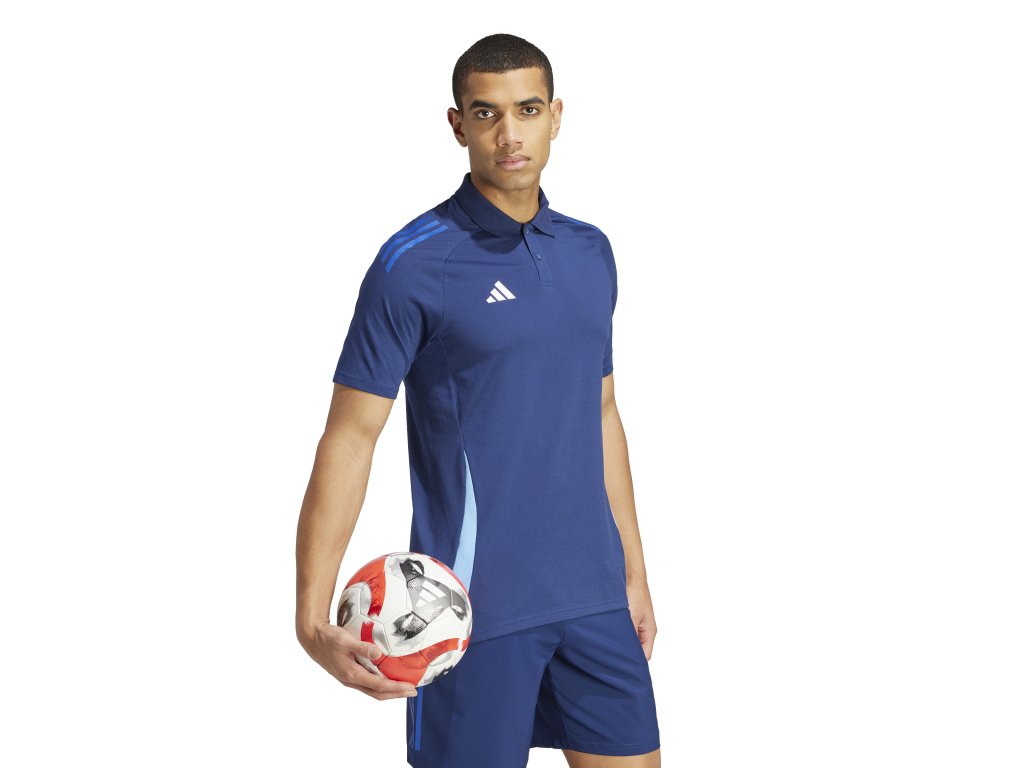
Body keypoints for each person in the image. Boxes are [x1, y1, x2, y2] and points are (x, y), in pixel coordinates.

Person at [296, 33, 661, 768]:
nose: (509, 134)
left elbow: (600, 414)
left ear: (556, 116)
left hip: (594, 598)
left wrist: (635, 570)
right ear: (458, 125)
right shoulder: (413, 263)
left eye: (528, 109)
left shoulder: (589, 251)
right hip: (464, 613)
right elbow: (351, 436)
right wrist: (311, 614)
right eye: (487, 113)